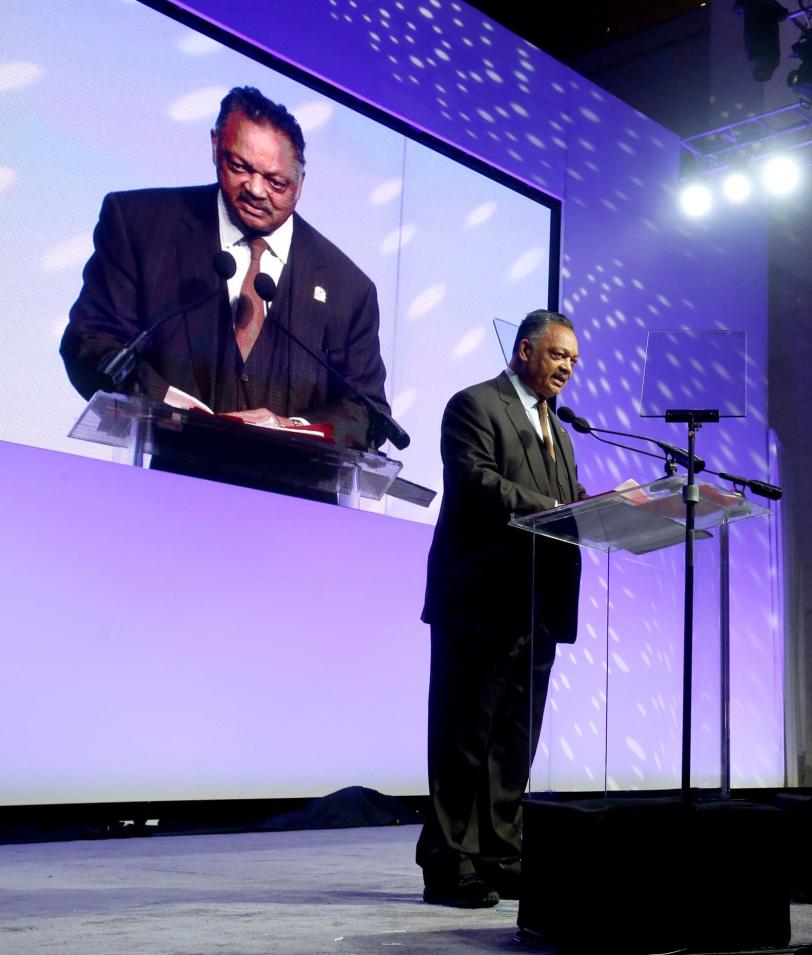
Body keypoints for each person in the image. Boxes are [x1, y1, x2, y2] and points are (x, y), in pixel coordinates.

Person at [60, 86, 389, 449]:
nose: (256, 189)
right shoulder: (140, 224)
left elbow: (366, 411)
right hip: (167, 481)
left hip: (296, 499)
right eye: (239, 167)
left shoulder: (349, 289)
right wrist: (177, 411)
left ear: (301, 183)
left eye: (277, 182)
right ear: (216, 146)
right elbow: (92, 342)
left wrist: (288, 426)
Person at [417, 309, 586, 908]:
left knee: (515, 739)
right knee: (464, 736)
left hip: (538, 603)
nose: (567, 366)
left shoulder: (560, 430)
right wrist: (558, 509)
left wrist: (605, 506)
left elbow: (568, 505)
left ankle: (500, 853)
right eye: (558, 354)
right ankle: (449, 861)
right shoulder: (474, 405)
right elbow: (475, 482)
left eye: (572, 359)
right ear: (524, 351)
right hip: (480, 600)